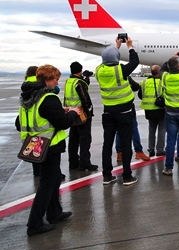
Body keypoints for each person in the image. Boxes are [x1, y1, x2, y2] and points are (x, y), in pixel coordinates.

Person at [16, 64, 80, 236]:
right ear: (47, 80)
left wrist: (58, 112)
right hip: (49, 146)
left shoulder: (27, 98)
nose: (57, 83)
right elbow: (62, 123)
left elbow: (18, 123)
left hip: (35, 144)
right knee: (47, 184)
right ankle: (34, 223)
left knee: (52, 180)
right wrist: (72, 113)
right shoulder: (48, 98)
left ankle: (54, 213)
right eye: (55, 79)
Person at [95, 36, 139, 186]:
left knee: (107, 145)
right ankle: (127, 176)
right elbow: (135, 62)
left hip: (108, 112)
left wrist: (116, 47)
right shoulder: (121, 70)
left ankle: (107, 176)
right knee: (126, 145)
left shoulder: (98, 71)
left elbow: (108, 59)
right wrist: (130, 46)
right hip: (125, 112)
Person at [64, 61, 97, 171]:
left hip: (71, 113)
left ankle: (73, 162)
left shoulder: (68, 81)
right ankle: (84, 163)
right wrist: (89, 113)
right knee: (85, 139)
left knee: (73, 139)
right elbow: (84, 98)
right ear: (80, 70)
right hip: (81, 113)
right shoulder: (79, 82)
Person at [115, 77, 151, 162]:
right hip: (127, 108)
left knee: (119, 131)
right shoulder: (124, 76)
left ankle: (119, 153)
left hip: (114, 107)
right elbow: (136, 87)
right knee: (134, 130)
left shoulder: (109, 78)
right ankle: (138, 151)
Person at [138, 65, 166, 157]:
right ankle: (160, 149)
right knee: (162, 130)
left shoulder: (144, 82)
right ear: (159, 72)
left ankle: (151, 149)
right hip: (160, 109)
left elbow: (140, 95)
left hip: (149, 110)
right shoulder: (162, 82)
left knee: (151, 130)